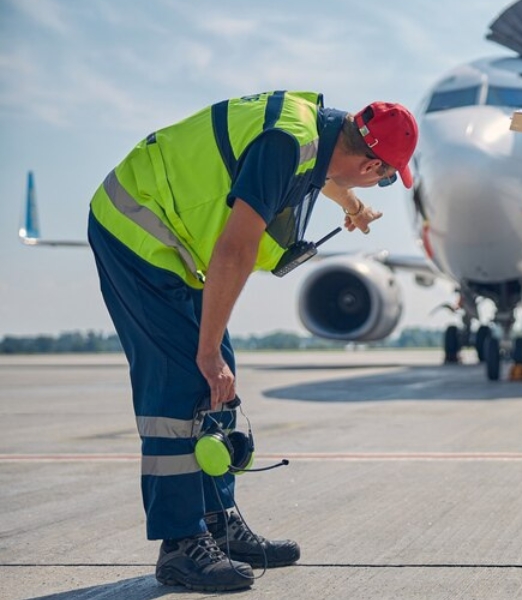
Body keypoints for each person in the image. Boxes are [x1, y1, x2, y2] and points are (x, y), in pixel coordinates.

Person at [87, 91, 418, 592]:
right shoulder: (286, 143)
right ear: (371, 163)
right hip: (134, 228)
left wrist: (352, 204)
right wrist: (206, 349)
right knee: (184, 380)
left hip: (170, 241)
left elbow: (322, 173)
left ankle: (217, 524)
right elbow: (236, 251)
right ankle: (180, 545)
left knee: (219, 379)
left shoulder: (317, 134)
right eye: (387, 177)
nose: (384, 183)